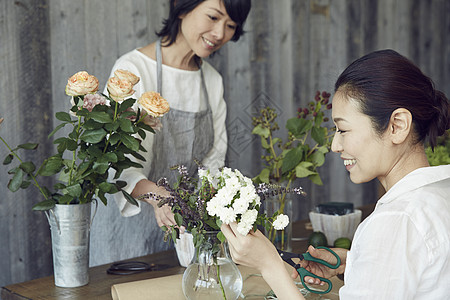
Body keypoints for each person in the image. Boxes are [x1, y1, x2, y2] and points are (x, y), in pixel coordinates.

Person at [221, 49, 450, 299]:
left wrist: (270, 266)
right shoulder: (440, 194)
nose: (334, 146)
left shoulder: (395, 221)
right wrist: (354, 261)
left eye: (343, 130)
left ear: (397, 126)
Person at [89, 0, 251, 266]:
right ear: (183, 8)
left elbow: (214, 158)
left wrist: (206, 211)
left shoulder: (211, 80)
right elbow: (114, 163)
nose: (220, 33)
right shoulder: (133, 70)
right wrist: (158, 196)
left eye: (231, 25)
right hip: (129, 234)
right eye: (213, 17)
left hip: (187, 235)